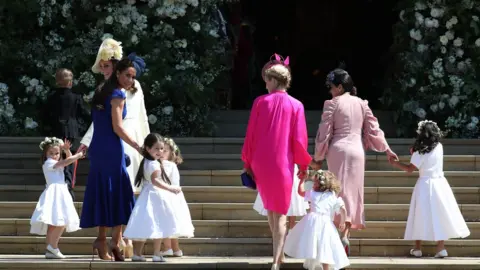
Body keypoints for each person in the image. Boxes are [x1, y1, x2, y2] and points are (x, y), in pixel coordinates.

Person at [310, 68, 398, 255]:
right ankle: (345, 235)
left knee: (336, 192)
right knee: (351, 194)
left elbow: (324, 133)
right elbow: (374, 129)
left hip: (338, 150)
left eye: (331, 87)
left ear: (340, 87)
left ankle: (337, 237)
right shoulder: (362, 103)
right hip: (357, 151)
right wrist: (387, 149)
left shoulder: (332, 104)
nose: (330, 91)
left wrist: (317, 157)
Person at [77, 38, 150, 258]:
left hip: (102, 146)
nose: (130, 79)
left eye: (132, 76)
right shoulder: (117, 93)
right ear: (119, 73)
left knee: (107, 191)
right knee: (118, 192)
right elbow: (117, 126)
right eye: (127, 75)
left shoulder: (102, 89)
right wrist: (139, 146)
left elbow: (104, 122)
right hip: (113, 145)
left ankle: (108, 241)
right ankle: (112, 241)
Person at [241, 54, 312, 270]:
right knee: (280, 211)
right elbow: (299, 139)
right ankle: (276, 261)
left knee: (271, 209)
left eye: (267, 80)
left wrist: (247, 161)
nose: (265, 84)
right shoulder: (296, 105)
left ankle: (278, 257)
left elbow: (250, 134)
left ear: (273, 80)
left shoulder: (260, 102)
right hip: (283, 163)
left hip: (261, 162)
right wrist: (303, 165)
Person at [388, 120, 470, 258]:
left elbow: (410, 169)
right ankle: (440, 248)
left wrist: (395, 163)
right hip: (440, 183)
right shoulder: (439, 147)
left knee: (419, 214)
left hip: (424, 185)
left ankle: (418, 248)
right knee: (440, 214)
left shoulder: (419, 151)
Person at [124, 133, 194, 262]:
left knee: (142, 224)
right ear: (148, 148)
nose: (160, 151)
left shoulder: (146, 161)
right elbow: (155, 181)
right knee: (158, 224)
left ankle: (137, 254)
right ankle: (156, 254)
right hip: (156, 196)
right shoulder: (154, 164)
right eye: (156, 148)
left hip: (146, 196)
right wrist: (171, 188)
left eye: (161, 149)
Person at [284, 169, 350, 270]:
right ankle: (325, 268)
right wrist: (342, 222)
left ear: (319, 184)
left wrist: (302, 180)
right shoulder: (332, 195)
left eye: (314, 182)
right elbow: (343, 209)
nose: (313, 184)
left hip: (312, 222)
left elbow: (300, 191)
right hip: (326, 223)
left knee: (314, 246)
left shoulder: (312, 193)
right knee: (325, 246)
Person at [30, 137, 84, 259]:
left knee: (54, 223)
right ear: (46, 154)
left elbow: (69, 161)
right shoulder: (49, 163)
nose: (54, 155)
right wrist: (78, 155)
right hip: (55, 192)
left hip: (60, 191)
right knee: (61, 221)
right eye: (51, 153)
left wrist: (67, 151)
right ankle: (53, 247)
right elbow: (65, 162)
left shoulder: (55, 162)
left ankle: (50, 249)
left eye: (57, 153)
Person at [43, 68, 87, 200]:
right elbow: (84, 114)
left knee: (55, 158)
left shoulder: (52, 97)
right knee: (70, 160)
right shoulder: (76, 97)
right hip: (71, 132)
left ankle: (55, 183)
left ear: (57, 82)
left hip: (56, 132)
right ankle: (68, 185)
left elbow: (44, 115)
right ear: (70, 82)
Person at [253, 164, 309, 230]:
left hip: (290, 167)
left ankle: (291, 230)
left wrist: (304, 167)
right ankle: (276, 233)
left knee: (293, 197)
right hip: (273, 167)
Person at [159, 137, 187, 257]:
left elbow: (172, 182)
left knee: (166, 224)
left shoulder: (167, 165)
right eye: (160, 150)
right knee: (172, 225)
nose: (162, 153)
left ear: (171, 153)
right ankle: (176, 249)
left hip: (167, 196)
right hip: (174, 197)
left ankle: (168, 247)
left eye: (165, 151)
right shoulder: (171, 165)